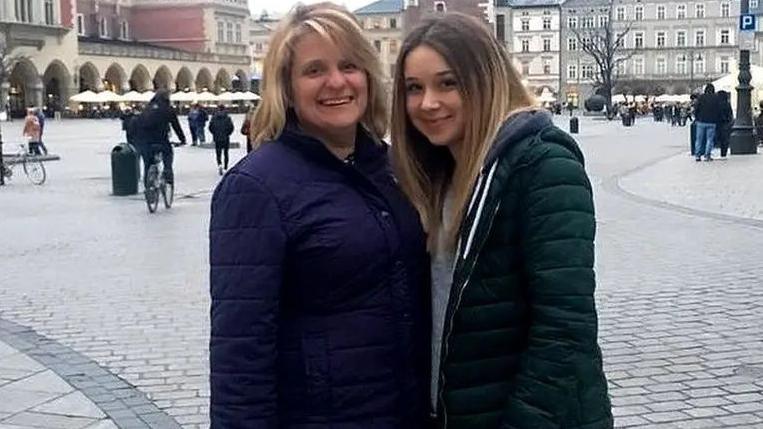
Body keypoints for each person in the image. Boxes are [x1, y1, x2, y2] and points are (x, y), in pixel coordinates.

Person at [209, 3, 430, 428]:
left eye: (349, 65)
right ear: (287, 88)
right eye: (314, 70)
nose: (336, 82)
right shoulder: (256, 187)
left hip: (404, 411)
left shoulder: (390, 167)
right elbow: (241, 351)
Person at [391, 13, 612, 428]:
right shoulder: (434, 175)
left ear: (486, 79)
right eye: (413, 89)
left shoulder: (543, 166)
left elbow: (565, 330)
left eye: (448, 83)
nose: (428, 103)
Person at [137, 89, 186, 187]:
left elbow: (139, 124)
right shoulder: (168, 109)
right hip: (162, 140)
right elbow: (176, 126)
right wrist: (182, 139)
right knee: (168, 155)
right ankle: (168, 174)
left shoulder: (147, 109)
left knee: (148, 163)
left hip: (146, 142)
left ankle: (148, 186)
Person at [694, 83, 720, 162]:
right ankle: (707, 155)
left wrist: (697, 118)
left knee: (699, 139)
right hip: (712, 122)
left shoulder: (701, 97)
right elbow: (718, 110)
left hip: (701, 121)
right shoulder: (716, 98)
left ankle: (697, 156)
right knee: (709, 139)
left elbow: (697, 108)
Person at [208, 104, 234, 175]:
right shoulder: (228, 118)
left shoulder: (214, 117)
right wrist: (228, 133)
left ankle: (219, 164)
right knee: (226, 152)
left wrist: (214, 133)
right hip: (225, 138)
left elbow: (210, 127)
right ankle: (225, 166)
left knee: (218, 153)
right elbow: (231, 127)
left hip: (217, 138)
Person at [716, 90, 733, 158]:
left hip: (718, 123)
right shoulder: (727, 103)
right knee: (725, 139)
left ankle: (721, 151)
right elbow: (730, 114)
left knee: (719, 138)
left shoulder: (717, 104)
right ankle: (723, 153)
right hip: (726, 123)